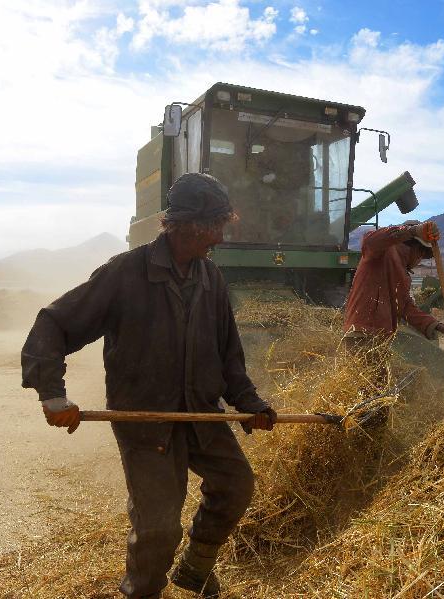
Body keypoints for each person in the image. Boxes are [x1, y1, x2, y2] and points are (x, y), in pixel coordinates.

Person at [21, 173, 277, 599]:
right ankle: (141, 592)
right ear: (184, 225)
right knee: (158, 524)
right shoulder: (126, 272)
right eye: (213, 227)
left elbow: (229, 356)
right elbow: (55, 322)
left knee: (235, 486)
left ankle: (194, 570)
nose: (217, 238)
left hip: (199, 412)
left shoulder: (211, 279)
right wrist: (53, 394)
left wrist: (250, 402)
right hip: (145, 419)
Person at [342, 220, 444, 385]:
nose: (419, 261)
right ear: (416, 250)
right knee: (372, 394)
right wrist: (413, 231)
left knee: (382, 393)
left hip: (378, 340)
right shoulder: (382, 251)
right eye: (421, 255)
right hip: (362, 336)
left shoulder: (403, 275)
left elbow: (406, 308)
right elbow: (370, 240)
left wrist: (442, 328)